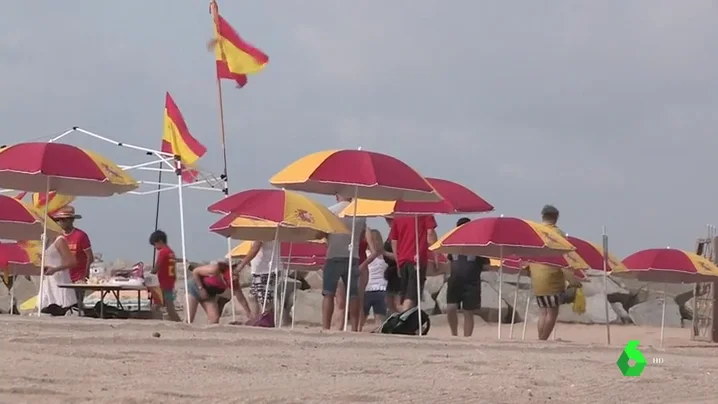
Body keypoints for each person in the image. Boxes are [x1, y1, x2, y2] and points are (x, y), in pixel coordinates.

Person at [528, 205, 579, 340]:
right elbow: (565, 257)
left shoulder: (535, 231)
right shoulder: (559, 234)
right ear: (556, 217)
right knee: (552, 311)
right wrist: (573, 280)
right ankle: (543, 339)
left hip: (536, 275)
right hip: (552, 276)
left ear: (542, 216)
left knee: (543, 312)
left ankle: (541, 338)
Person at [323, 194, 366, 331]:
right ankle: (354, 328)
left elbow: (322, 234)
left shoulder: (330, 211)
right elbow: (362, 235)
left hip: (334, 255)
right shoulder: (359, 214)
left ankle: (326, 327)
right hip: (353, 257)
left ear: (337, 196)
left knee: (328, 293)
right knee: (353, 294)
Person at [445, 217, 490, 337]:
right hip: (454, 281)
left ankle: (467, 338)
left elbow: (486, 265)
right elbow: (449, 261)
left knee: (468, 312)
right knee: (450, 308)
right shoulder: (453, 244)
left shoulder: (478, 245)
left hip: (471, 282)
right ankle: (454, 334)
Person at [389, 215, 438, 311]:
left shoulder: (400, 215)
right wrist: (436, 256)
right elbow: (430, 234)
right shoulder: (424, 212)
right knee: (412, 294)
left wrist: (398, 261)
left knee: (406, 292)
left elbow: (394, 240)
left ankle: (407, 318)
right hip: (417, 258)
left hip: (403, 260)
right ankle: (404, 319)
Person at [51, 206, 93, 315]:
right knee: (63, 303)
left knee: (76, 304)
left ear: (72, 220)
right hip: (63, 276)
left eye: (64, 219)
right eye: (59, 220)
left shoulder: (80, 236)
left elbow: (89, 256)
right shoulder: (56, 237)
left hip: (78, 276)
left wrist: (85, 275)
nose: (61, 222)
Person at [233, 240, 283, 325]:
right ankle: (256, 319)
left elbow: (255, 249)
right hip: (259, 270)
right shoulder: (257, 233)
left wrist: (241, 266)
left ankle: (268, 320)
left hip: (267, 269)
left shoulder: (263, 231)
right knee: (253, 296)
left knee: (265, 297)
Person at [38, 231, 78, 316]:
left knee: (62, 308)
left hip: (60, 279)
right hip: (48, 280)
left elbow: (72, 262)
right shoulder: (45, 240)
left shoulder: (59, 240)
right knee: (44, 310)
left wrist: (55, 269)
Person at [148, 230, 181, 322]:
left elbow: (157, 267)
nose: (155, 247)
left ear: (160, 241)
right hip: (170, 282)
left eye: (155, 244)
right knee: (166, 306)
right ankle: (177, 322)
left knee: (159, 306)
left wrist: (149, 274)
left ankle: (158, 322)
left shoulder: (163, 252)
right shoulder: (171, 252)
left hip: (164, 283)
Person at [360, 229, 389, 329]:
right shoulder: (384, 256)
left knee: (361, 318)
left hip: (367, 289)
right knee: (380, 320)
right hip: (382, 289)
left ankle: (357, 333)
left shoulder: (366, 255)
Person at [382, 217, 401, 314]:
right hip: (392, 271)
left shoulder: (398, 234)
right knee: (389, 301)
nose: (387, 221)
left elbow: (399, 255)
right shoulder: (391, 234)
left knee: (397, 301)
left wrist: (383, 252)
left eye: (389, 219)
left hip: (398, 269)